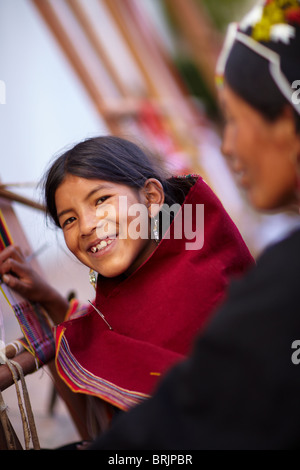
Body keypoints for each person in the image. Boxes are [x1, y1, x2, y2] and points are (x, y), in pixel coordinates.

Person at [87, 0, 300, 450]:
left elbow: (186, 417)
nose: (226, 146)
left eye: (234, 120)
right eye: (68, 217)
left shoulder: (282, 283)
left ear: (284, 123)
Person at [0, 136, 252, 437]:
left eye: (101, 200)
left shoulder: (203, 278)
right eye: (69, 220)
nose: (87, 226)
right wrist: (49, 300)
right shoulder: (132, 284)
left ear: (150, 197)